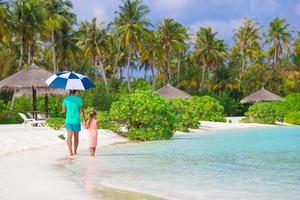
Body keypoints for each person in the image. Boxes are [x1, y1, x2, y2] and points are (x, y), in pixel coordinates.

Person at [62, 90, 85, 156]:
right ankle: (75, 151)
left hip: (68, 120)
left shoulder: (66, 99)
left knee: (69, 137)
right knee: (76, 137)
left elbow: (63, 111)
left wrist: (66, 108)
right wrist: (84, 120)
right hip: (76, 121)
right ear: (75, 92)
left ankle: (70, 152)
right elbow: (81, 111)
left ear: (69, 92)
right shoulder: (79, 99)